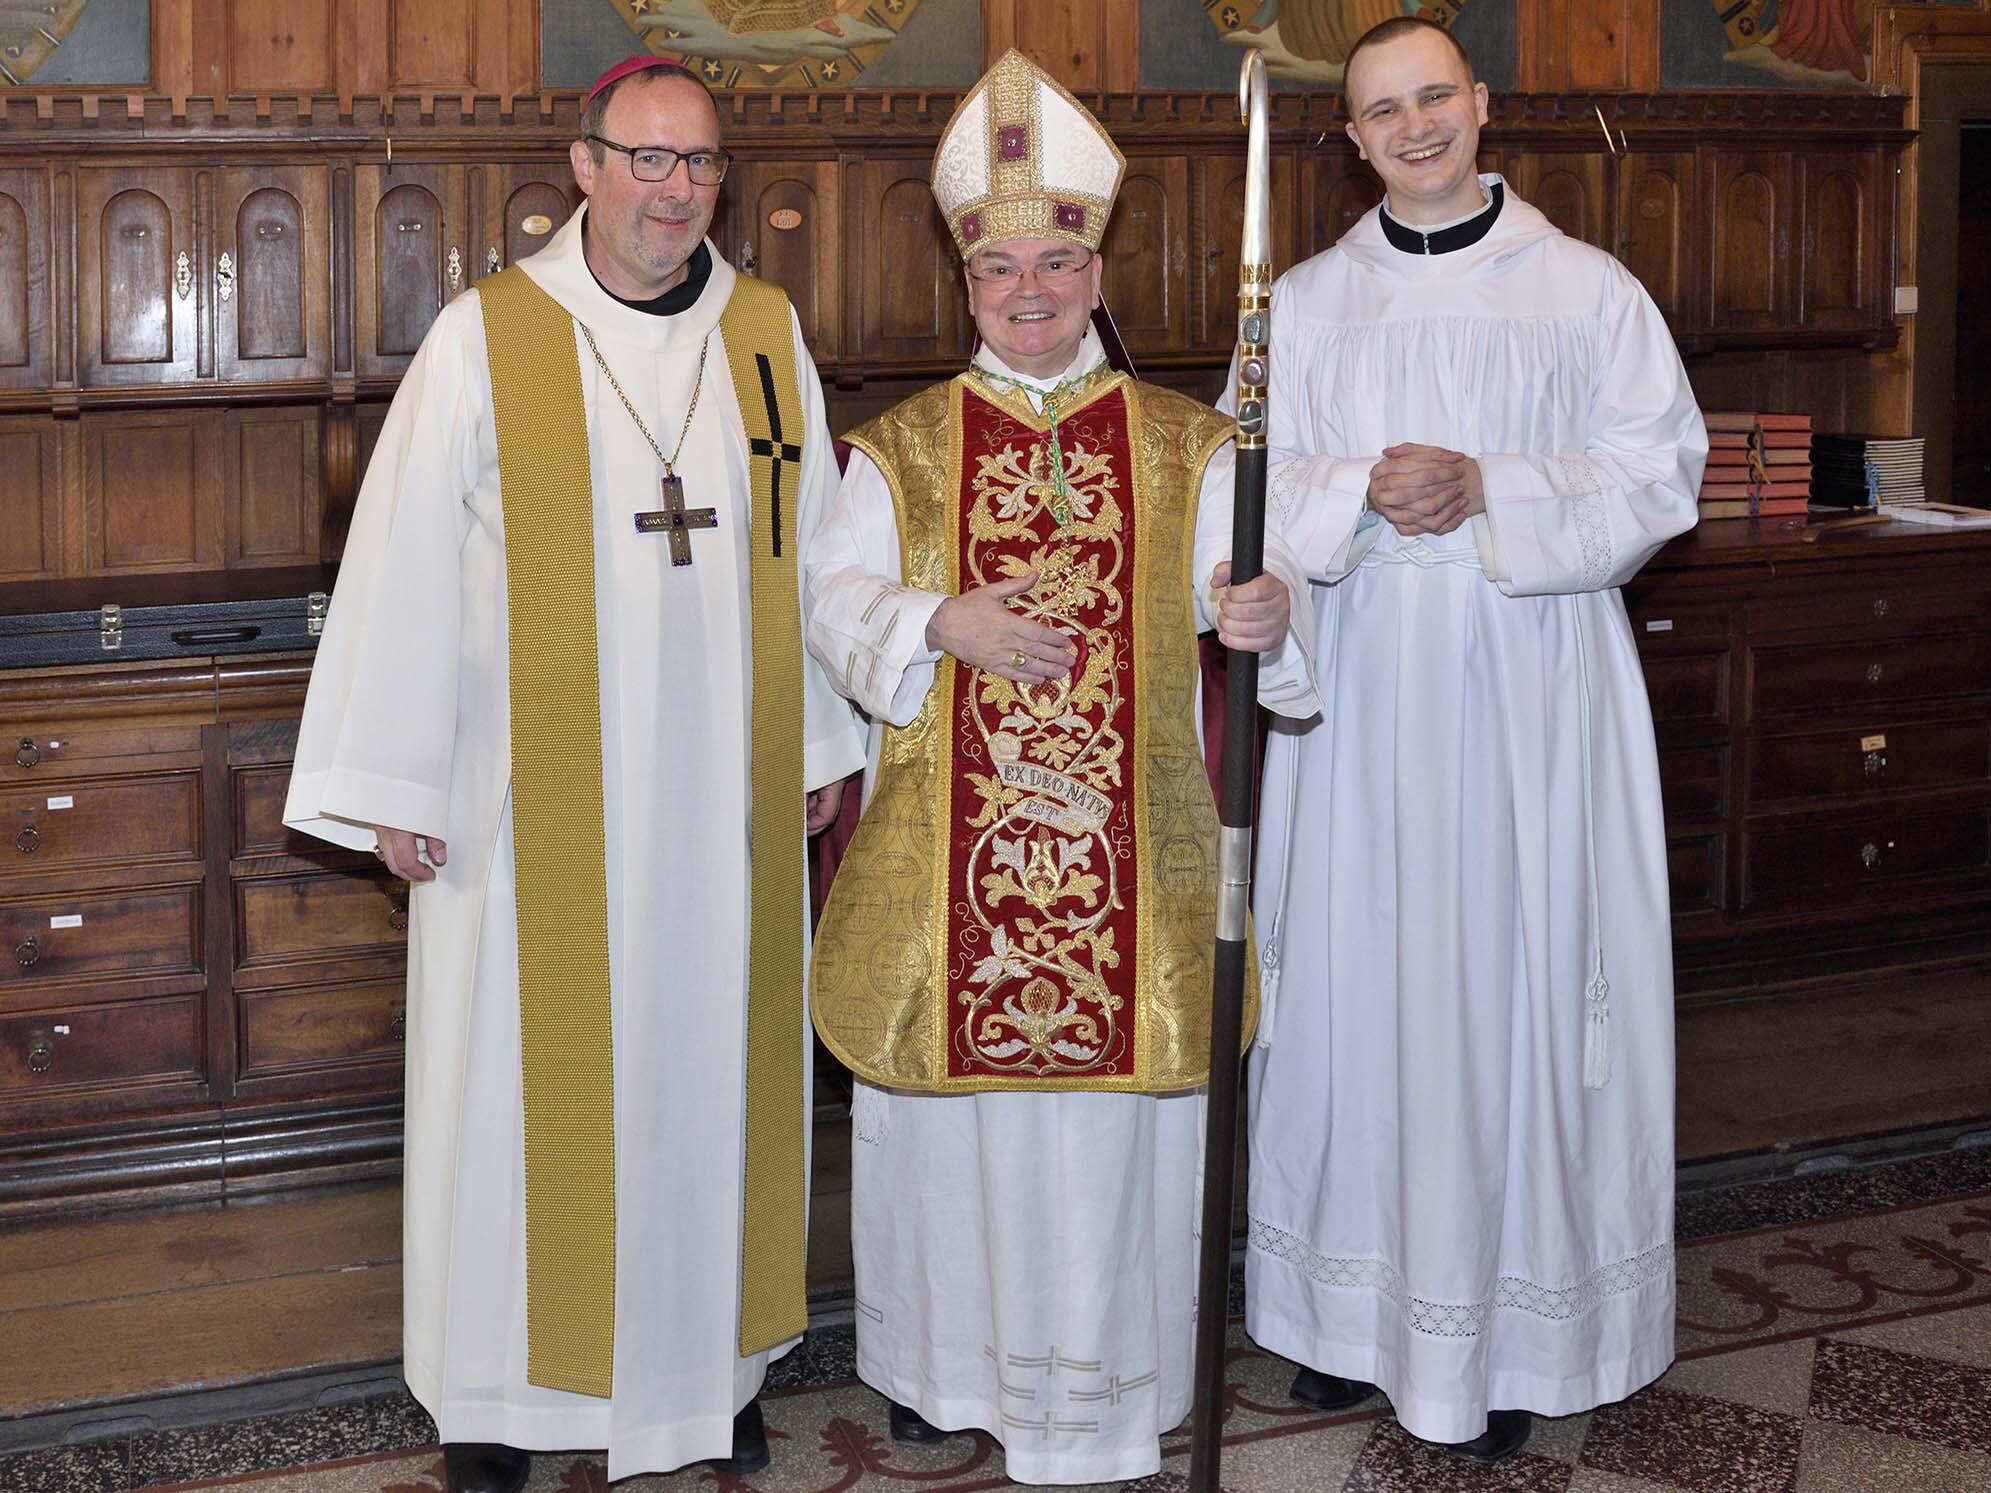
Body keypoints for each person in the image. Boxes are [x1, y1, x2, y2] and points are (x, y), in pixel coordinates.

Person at [282, 56, 864, 1493]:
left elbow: (827, 554)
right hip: (530, 803)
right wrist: (397, 785)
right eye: (648, 161)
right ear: (585, 166)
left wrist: (822, 740)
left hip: (724, 793)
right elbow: (405, 562)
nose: (677, 193)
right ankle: (499, 1397)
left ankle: (707, 1374)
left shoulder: (770, 333)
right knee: (519, 1094)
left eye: (701, 165)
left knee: (713, 1070)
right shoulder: (487, 338)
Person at [803, 49, 1321, 1486]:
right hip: (945, 874)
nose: (1028, 291)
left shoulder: (1192, 443)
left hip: (1128, 860)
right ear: (964, 286)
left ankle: (1108, 1384)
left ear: (1096, 272)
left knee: (1110, 1156)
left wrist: (1260, 616)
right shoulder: (892, 455)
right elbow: (827, 611)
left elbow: (1252, 593)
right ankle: (940, 1371)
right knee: (952, 1145)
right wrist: (934, 619)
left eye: (1054, 263)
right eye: (1001, 270)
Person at [1237, 15, 1706, 1463]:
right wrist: (1356, 496)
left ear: (1483, 104)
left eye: (1436, 95)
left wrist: (1488, 483)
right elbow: (1239, 481)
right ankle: (1340, 1318)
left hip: (1528, 704)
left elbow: (1662, 470)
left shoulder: (1587, 291)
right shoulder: (1301, 303)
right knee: (1348, 999)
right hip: (1362, 700)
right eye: (1384, 110)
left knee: (1508, 996)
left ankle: (1505, 1329)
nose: (1415, 125)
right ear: (1353, 138)